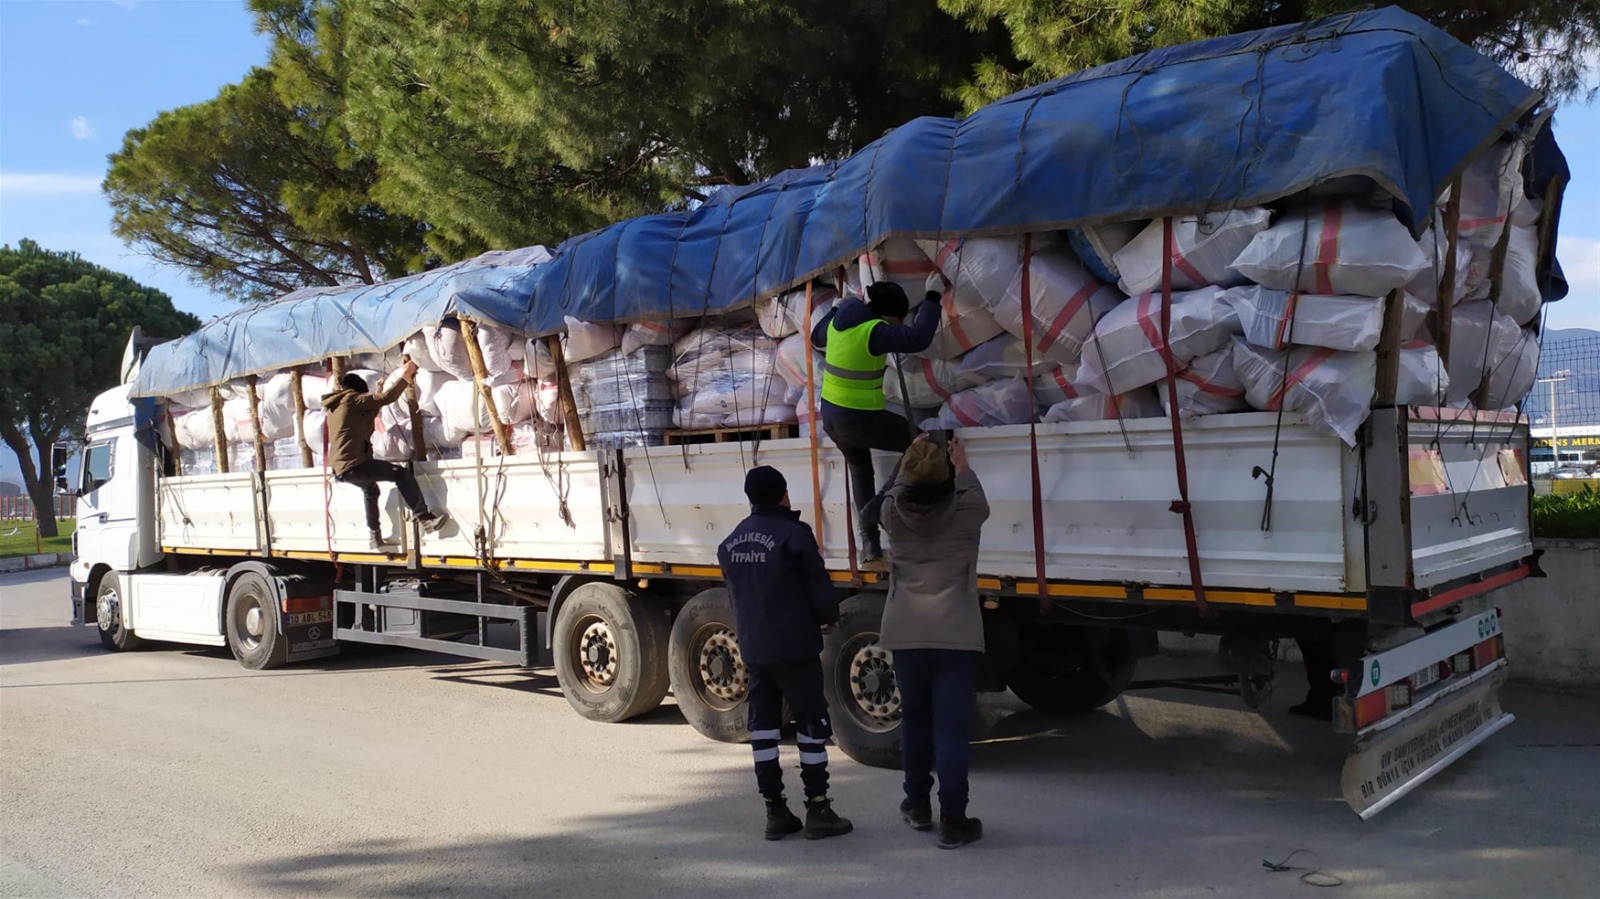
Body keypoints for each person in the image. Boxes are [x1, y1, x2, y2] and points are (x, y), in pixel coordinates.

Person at [716, 466, 852, 841]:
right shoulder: (795, 535)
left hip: (756, 650)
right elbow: (819, 589)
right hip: (796, 648)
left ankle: (775, 811)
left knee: (763, 728)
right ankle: (818, 808)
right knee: (811, 726)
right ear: (784, 495)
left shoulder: (730, 543)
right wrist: (829, 616)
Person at [879, 435, 989, 849]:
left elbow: (893, 488)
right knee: (951, 731)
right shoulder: (970, 509)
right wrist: (959, 462)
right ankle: (954, 821)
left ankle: (917, 805)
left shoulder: (891, 513)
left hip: (906, 631)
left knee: (915, 721)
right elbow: (971, 486)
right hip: (956, 633)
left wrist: (912, 454)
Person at [810, 281, 941, 565]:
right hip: (861, 418)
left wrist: (833, 309)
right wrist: (932, 296)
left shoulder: (837, 323)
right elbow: (918, 339)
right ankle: (878, 506)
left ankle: (870, 543)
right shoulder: (873, 331)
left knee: (860, 469)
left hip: (832, 419)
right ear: (886, 315)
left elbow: (813, 336)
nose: (898, 325)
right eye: (898, 319)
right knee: (921, 447)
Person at [320, 362, 447, 549]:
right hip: (355, 464)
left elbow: (368, 413)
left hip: (342, 468)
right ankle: (424, 518)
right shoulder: (351, 400)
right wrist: (405, 377)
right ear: (357, 390)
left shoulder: (338, 405)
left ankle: (374, 535)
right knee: (401, 474)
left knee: (371, 489)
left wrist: (377, 391)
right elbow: (388, 397)